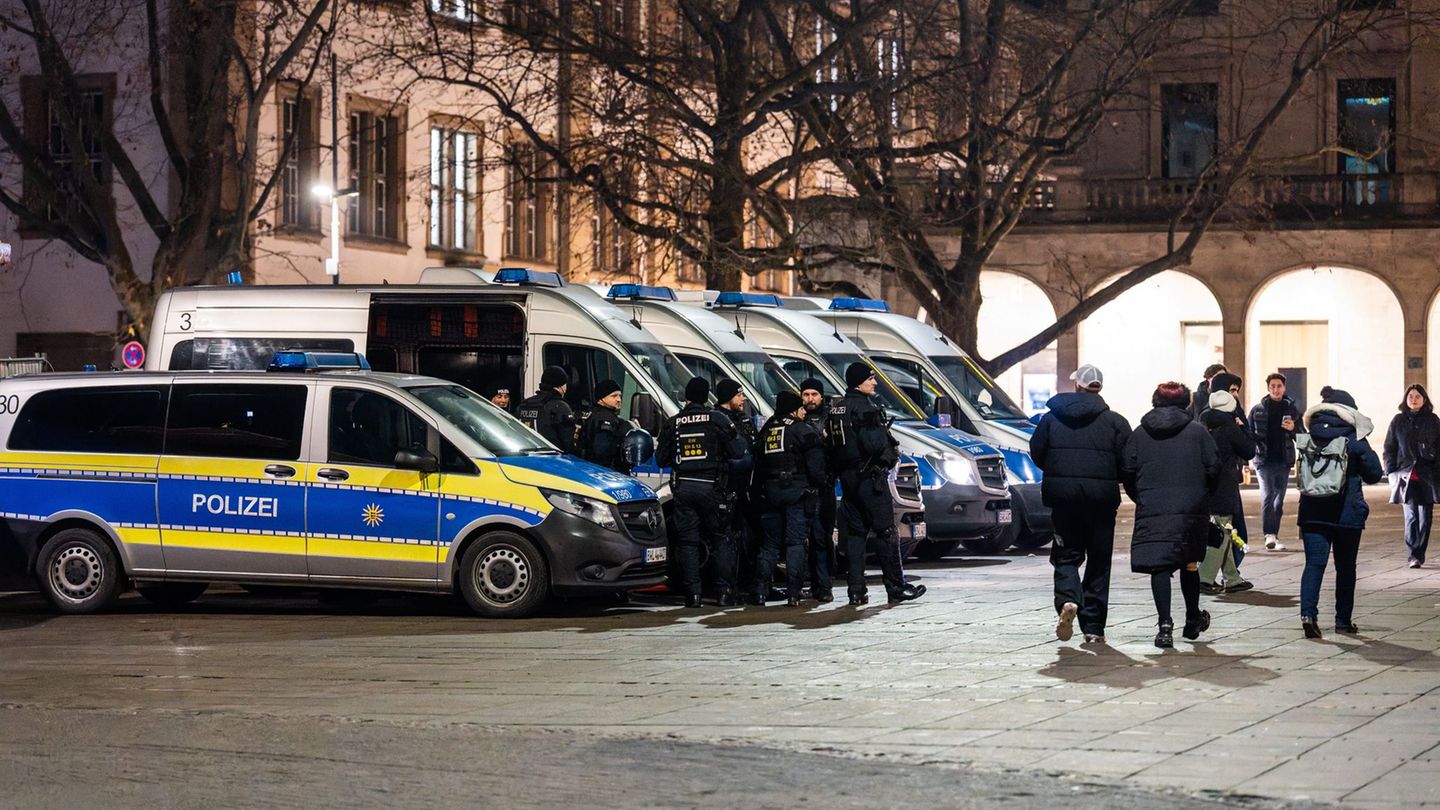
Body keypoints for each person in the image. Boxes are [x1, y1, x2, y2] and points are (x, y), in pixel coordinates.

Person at [1029, 363, 1131, 645]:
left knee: (1066, 554)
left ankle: (1068, 599)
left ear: (1077, 386)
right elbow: (1127, 461)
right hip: (1101, 501)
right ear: (1100, 388)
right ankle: (1094, 627)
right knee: (1099, 560)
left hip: (1063, 501)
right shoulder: (1116, 422)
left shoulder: (1051, 419)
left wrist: (1059, 471)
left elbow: (1037, 452)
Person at [1123, 382, 1219, 649]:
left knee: (1160, 565)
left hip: (1153, 506)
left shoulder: (1140, 433)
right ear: (1186, 403)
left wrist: (1142, 496)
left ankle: (1164, 626)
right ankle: (1192, 619)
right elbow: (1214, 468)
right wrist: (1201, 495)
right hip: (1191, 507)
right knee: (1189, 562)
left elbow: (1127, 470)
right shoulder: (1198, 432)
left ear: (1155, 401)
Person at [829, 362, 925, 605]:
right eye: (870, 378)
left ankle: (856, 591)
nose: (875, 382)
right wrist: (889, 453)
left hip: (848, 480)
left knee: (856, 535)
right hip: (870, 479)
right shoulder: (866, 408)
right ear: (858, 382)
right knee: (887, 532)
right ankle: (896, 587)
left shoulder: (837, 409)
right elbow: (874, 446)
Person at [1297, 386, 1384, 638]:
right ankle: (1343, 621)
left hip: (1312, 511)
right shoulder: (1354, 438)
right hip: (1347, 513)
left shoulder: (1309, 435)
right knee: (1346, 567)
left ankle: (1308, 615)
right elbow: (1374, 474)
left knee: (1314, 564)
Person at [656, 376, 750, 607]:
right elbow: (739, 451)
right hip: (712, 488)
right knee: (721, 539)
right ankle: (724, 592)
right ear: (707, 396)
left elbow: (661, 459)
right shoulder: (717, 419)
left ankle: (693, 595)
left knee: (687, 542)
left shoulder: (673, 422)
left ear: (686, 398)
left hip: (683, 489)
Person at [752, 390, 827, 606]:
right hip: (797, 492)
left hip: (770, 493)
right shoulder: (802, 430)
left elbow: (757, 462)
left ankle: (760, 592)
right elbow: (816, 465)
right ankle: (793, 593)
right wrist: (820, 485)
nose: (804, 411)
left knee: (769, 545)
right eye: (801, 408)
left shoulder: (767, 429)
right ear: (794, 410)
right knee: (795, 543)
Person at [1199, 389, 1256, 593]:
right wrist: (1243, 428)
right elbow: (1249, 450)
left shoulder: (1202, 425)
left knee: (1225, 529)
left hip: (1206, 485)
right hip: (1224, 486)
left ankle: (1232, 578)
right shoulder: (1230, 427)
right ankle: (1204, 578)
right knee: (1222, 532)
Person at [1382, 384, 1440, 569]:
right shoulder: (1398, 420)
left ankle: (1420, 552)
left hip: (1427, 475)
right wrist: (1390, 470)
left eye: (1417, 397)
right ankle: (1413, 555)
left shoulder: (1433, 420)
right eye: (1410, 397)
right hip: (1405, 474)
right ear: (1405, 399)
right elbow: (1389, 447)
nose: (1414, 400)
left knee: (1425, 517)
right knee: (1411, 515)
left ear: (1424, 400)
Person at [714, 379, 760, 596]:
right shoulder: (716, 419)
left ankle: (748, 583)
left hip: (746, 489)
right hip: (726, 488)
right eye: (739, 395)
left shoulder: (744, 419)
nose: (743, 398)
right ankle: (728, 586)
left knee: (750, 537)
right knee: (727, 539)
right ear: (727, 397)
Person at [1250, 372, 1304, 551]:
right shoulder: (1257, 410)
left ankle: (1274, 534)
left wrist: (1293, 428)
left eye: (1279, 386)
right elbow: (1248, 434)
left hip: (1283, 460)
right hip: (1263, 460)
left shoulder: (1292, 410)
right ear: (1268, 388)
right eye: (1272, 386)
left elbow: (1302, 436)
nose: (1276, 389)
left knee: (1278, 501)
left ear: (1284, 388)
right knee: (1267, 495)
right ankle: (1269, 535)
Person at [801, 378, 837, 602]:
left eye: (814, 394)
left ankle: (824, 585)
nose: (810, 399)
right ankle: (814, 584)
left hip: (824, 486)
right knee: (807, 539)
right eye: (806, 394)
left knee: (822, 537)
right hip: (804, 486)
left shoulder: (830, 418)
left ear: (822, 396)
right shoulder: (798, 417)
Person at [517, 366, 577, 454]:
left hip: (525, 456)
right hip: (552, 458)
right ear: (560, 386)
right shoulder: (559, 406)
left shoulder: (525, 404)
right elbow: (568, 441)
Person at [579, 379, 630, 474]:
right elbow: (602, 451)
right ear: (601, 399)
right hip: (606, 472)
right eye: (614, 396)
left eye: (620, 396)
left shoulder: (596, 414)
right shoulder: (605, 418)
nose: (619, 399)